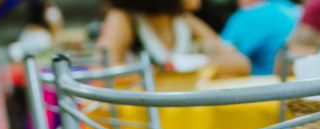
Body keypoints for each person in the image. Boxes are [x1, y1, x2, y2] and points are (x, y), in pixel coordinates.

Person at [96, 0, 253, 76]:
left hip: (182, 114)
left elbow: (240, 64)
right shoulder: (124, 18)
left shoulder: (184, 20)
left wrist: (192, 66)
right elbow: (102, 70)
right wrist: (161, 74)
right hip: (137, 121)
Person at [220, 0, 302, 74]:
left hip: (268, 85)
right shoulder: (293, 8)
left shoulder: (249, 15)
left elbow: (220, 57)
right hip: (300, 82)